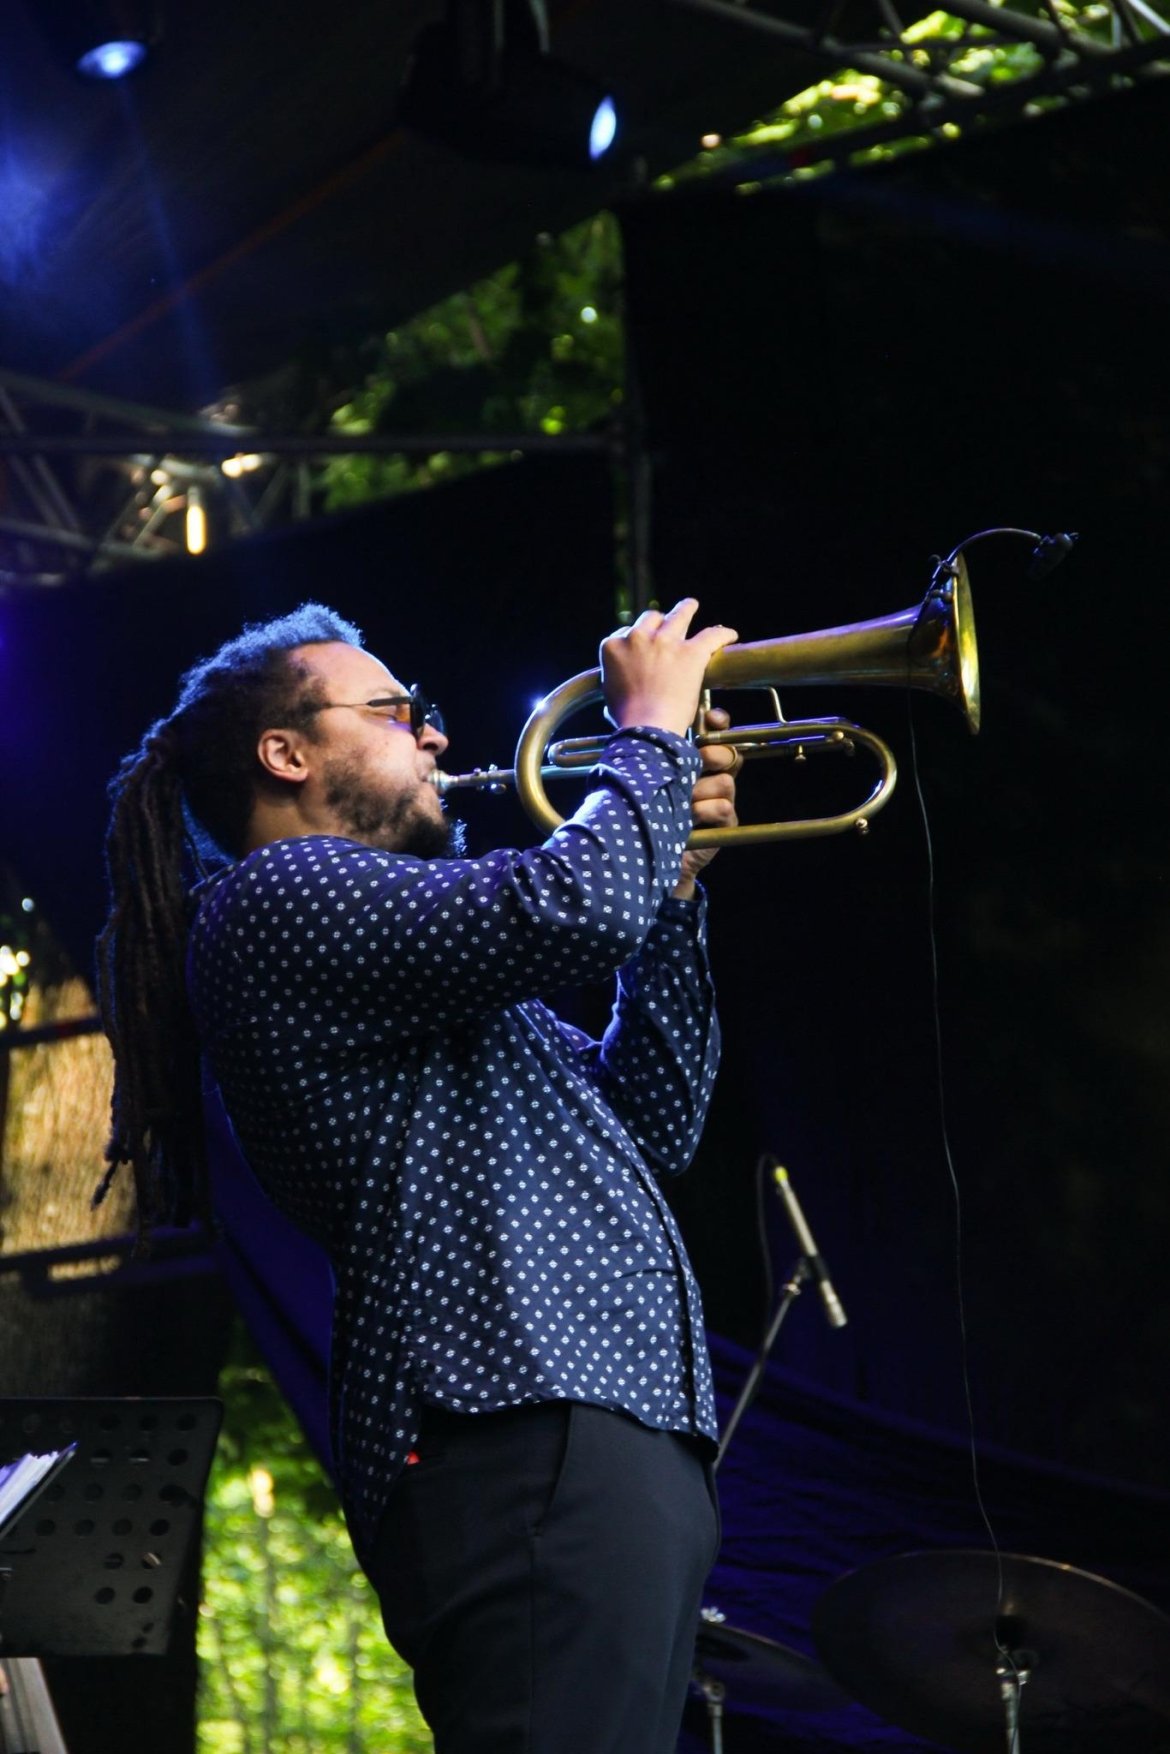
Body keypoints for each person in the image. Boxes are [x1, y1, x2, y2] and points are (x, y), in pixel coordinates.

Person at [97, 595, 739, 1754]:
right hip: (514, 1421)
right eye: (399, 710)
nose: (436, 733)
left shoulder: (430, 978)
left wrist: (677, 881)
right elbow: (574, 903)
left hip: (584, 1421)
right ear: (286, 753)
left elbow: (657, 1118)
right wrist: (648, 733)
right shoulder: (273, 896)